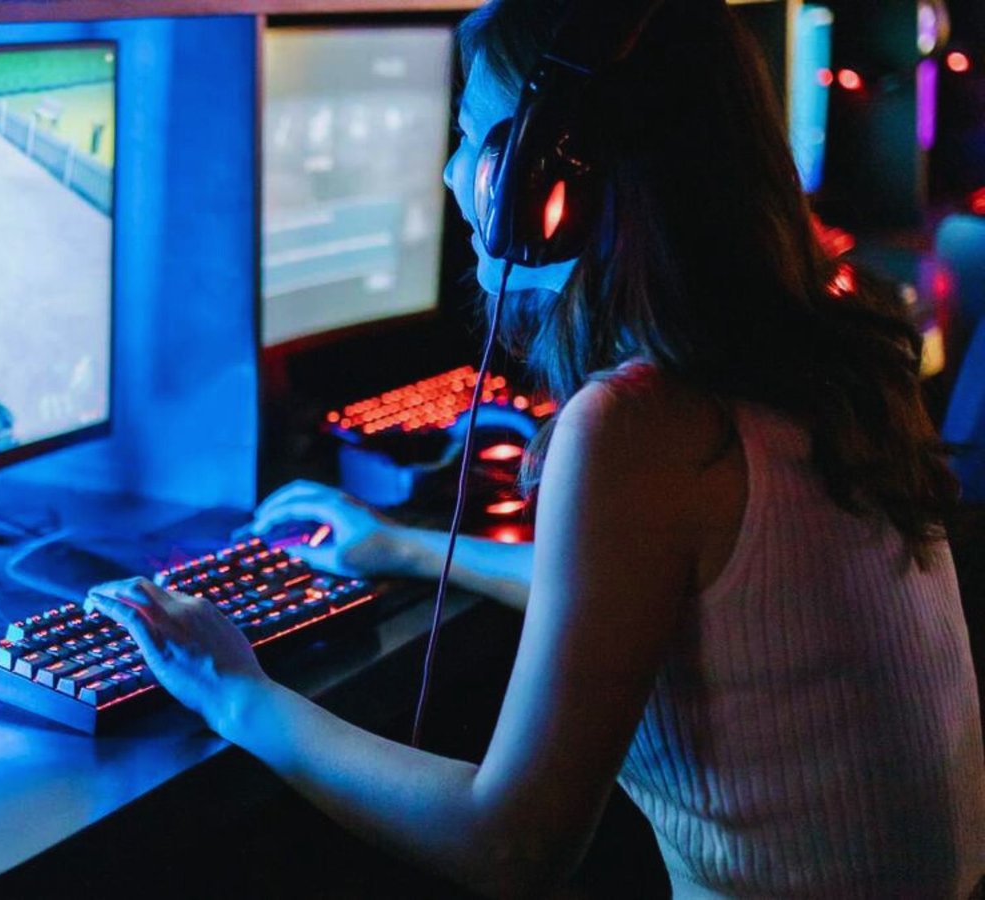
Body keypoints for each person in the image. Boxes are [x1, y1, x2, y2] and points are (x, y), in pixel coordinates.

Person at [86, 0, 985, 896]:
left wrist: (237, 694)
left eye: (478, 140)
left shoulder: (640, 424)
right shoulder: (822, 353)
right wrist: (403, 545)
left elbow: (509, 844)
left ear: (553, 184)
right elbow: (640, 593)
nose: (450, 175)